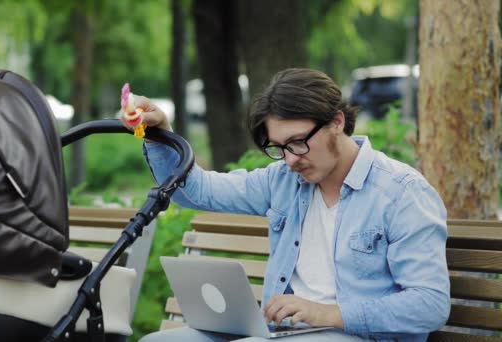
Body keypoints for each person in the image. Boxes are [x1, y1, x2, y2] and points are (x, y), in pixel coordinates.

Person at [124, 68, 450, 341]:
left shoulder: (401, 193)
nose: (291, 159)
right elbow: (196, 191)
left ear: (337, 121)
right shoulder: (283, 180)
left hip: (356, 335)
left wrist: (329, 314)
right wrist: (158, 135)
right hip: (282, 333)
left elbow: (430, 304)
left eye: (298, 142)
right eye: (280, 147)